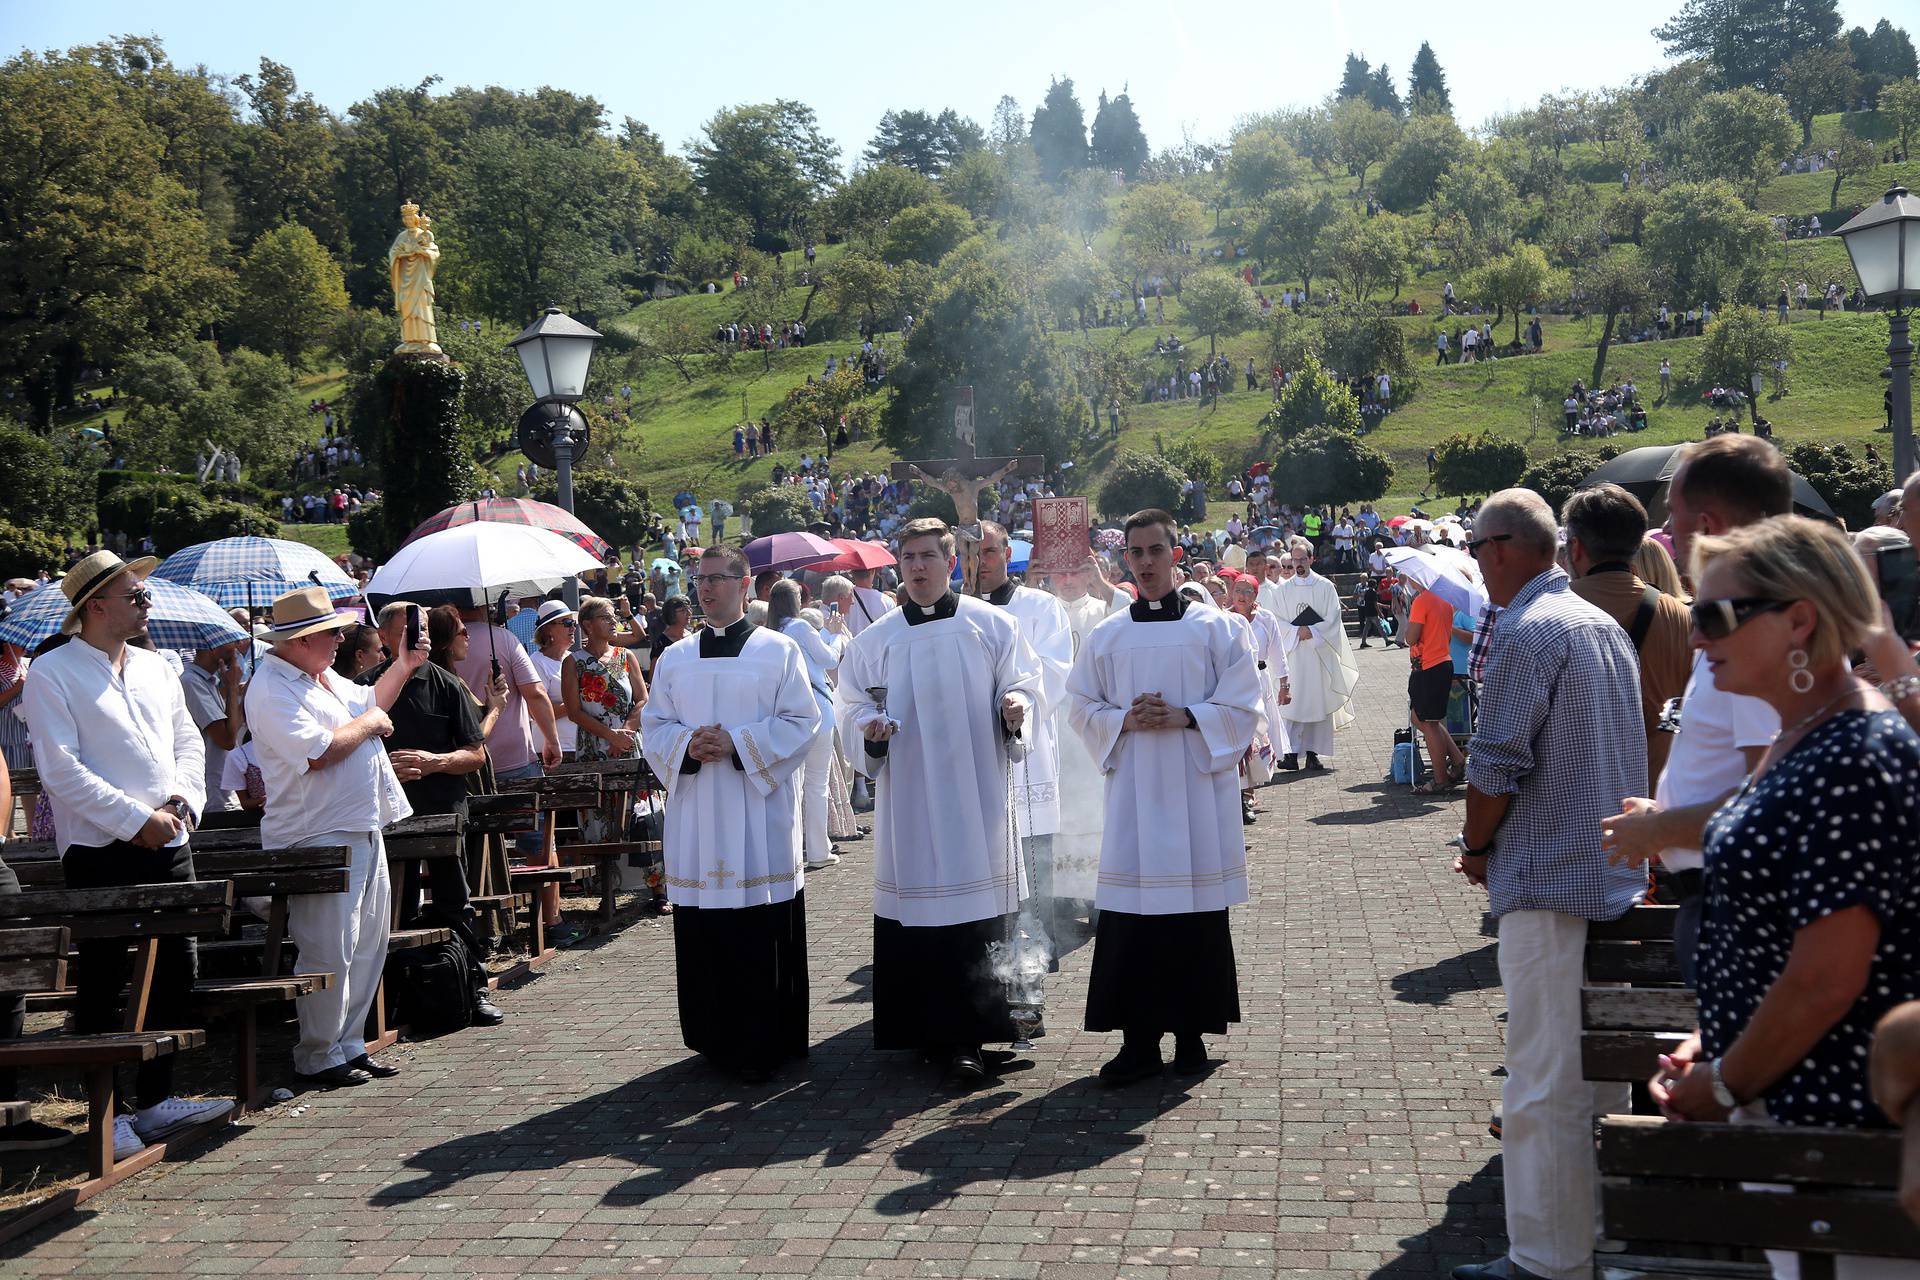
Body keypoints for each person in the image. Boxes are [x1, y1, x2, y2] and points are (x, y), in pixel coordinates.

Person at [1648, 518, 1918, 1280]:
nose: (1697, 637)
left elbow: (1828, 976)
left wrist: (1729, 1079)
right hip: (1798, 1117)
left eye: (1715, 615)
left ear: (1798, 619)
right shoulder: (1806, 733)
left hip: (1842, 1135)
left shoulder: (1855, 754)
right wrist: (1719, 1039)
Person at [1450, 490, 1647, 1280]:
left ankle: (1544, 1257)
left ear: (1502, 548)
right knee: (1595, 1081)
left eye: (1477, 548)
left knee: (1538, 1079)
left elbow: (1494, 762)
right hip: (1608, 875)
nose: (1476, 563)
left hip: (1547, 878)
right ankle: (1598, 1240)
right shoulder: (1598, 625)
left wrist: (1473, 844)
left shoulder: (1531, 631)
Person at [20, 552, 231, 1157]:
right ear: (96, 606)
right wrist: (135, 820)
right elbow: (61, 770)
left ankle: (156, 1100)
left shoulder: (158, 666)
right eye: (134, 595)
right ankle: (103, 1111)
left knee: (176, 971)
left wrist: (182, 801)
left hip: (172, 840)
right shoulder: (53, 672)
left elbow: (187, 742)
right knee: (105, 981)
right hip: (100, 848)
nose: (147, 603)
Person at [835, 518, 1043, 1089]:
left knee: (977, 912)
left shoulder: (991, 625)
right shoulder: (876, 641)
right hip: (912, 799)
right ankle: (932, 1031)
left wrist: (1017, 706)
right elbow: (848, 707)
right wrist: (868, 730)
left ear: (951, 562)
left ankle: (983, 1030)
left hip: (977, 793)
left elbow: (1025, 681)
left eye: (928, 556)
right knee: (922, 910)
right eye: (908, 558)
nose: (918, 566)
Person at [1066, 510, 1264, 1085]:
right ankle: (1138, 1044)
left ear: (1176, 554)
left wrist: (1184, 717)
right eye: (1136, 553)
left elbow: (1244, 705)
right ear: (1125, 559)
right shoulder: (1108, 635)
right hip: (1133, 797)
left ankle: (1193, 1036)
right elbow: (1079, 706)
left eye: (1156, 551)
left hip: (1196, 793)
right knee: (1132, 918)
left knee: (1196, 915)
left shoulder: (1219, 629)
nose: (1147, 563)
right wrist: (1122, 721)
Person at [1600, 436, 1793, 983]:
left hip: (1736, 901)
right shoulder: (1737, 622)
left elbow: (1771, 794)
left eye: (1673, 519)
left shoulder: (1754, 631)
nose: (1668, 536)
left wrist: (1661, 825)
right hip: (1716, 895)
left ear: (1706, 525)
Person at [640, 546, 820, 1082]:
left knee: (758, 924)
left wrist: (739, 743)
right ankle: (712, 1034)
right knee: (704, 929)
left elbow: (802, 721)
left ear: (745, 584)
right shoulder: (675, 658)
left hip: (755, 812)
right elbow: (654, 726)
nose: (706, 588)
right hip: (697, 814)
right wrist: (686, 746)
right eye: (700, 579)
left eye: (717, 578)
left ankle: (769, 1037)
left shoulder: (779, 651)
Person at [247, 586, 424, 1088]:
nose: (341, 638)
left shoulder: (319, 677)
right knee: (329, 948)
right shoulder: (271, 688)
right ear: (302, 640)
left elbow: (369, 702)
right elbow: (320, 751)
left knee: (367, 942)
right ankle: (318, 1053)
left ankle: (347, 1044)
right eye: (331, 633)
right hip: (316, 836)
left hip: (360, 823)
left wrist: (404, 666)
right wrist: (370, 724)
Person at [361, 604, 506, 1022]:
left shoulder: (447, 685)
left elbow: (475, 754)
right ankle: (391, 998)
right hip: (386, 817)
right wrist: (388, 768)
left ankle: (470, 988)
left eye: (424, 629)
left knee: (454, 901)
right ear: (386, 637)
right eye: (409, 630)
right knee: (392, 908)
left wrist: (434, 762)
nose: (419, 636)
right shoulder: (362, 688)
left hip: (442, 812)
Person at [976, 522, 1074, 967]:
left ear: (1006, 552)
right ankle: (984, 952)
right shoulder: (954, 614)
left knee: (1034, 853)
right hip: (975, 755)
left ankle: (1038, 944)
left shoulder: (1041, 607)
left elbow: (1056, 672)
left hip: (1026, 750)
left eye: (989, 551)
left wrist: (1015, 702)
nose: (981, 561)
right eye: (970, 552)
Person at [1562, 486, 1692, 791]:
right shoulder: (1680, 615)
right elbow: (1687, 710)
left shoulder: (1549, 614)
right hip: (1657, 794)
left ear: (1576, 548)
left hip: (1577, 797)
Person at [563, 597, 654, 907]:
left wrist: (624, 732)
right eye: (606, 616)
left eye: (614, 615)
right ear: (587, 624)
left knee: (643, 814)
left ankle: (658, 887)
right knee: (599, 820)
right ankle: (606, 893)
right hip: (594, 750)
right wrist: (608, 735)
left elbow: (642, 699)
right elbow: (574, 711)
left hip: (628, 745)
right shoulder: (574, 662)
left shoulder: (623, 656)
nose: (613, 620)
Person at [1048, 555, 1126, 915]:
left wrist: (1103, 584)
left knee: (1094, 810)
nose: (1067, 579)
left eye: (1076, 571)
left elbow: (1132, 614)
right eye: (1060, 571)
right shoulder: (1043, 612)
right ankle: (1060, 894)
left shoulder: (1103, 609)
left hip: (1092, 726)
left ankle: (1097, 893)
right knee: (1058, 811)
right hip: (1052, 728)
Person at [768, 578, 847, 871]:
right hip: (817, 711)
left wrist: (826, 631)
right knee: (816, 785)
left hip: (790, 714)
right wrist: (836, 634)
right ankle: (818, 849)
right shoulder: (800, 626)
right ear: (796, 601)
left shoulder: (772, 630)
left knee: (797, 785)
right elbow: (827, 658)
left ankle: (796, 850)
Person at [1268, 536, 1358, 770]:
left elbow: (1333, 618)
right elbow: (1276, 620)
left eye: (1302, 559)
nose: (1297, 564)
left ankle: (1313, 753)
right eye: (1294, 559)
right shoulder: (1283, 590)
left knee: (1318, 701)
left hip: (1319, 655)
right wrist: (1297, 631)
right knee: (1292, 703)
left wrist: (1314, 632)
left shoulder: (1325, 586)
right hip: (1294, 655)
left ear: (1312, 559)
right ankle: (1289, 754)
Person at [1405, 582, 1466, 793]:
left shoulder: (1422, 601)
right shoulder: (1446, 602)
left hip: (1428, 665)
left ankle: (1440, 780)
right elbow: (1446, 635)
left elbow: (1410, 638)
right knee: (1421, 718)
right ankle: (1457, 760)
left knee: (1428, 723)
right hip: (1443, 661)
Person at [180, 639, 247, 815]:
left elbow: (233, 726)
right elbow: (226, 740)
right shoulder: (190, 681)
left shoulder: (209, 681)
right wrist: (232, 686)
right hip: (214, 794)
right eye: (231, 642)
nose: (237, 647)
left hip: (225, 789)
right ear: (213, 648)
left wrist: (240, 693)